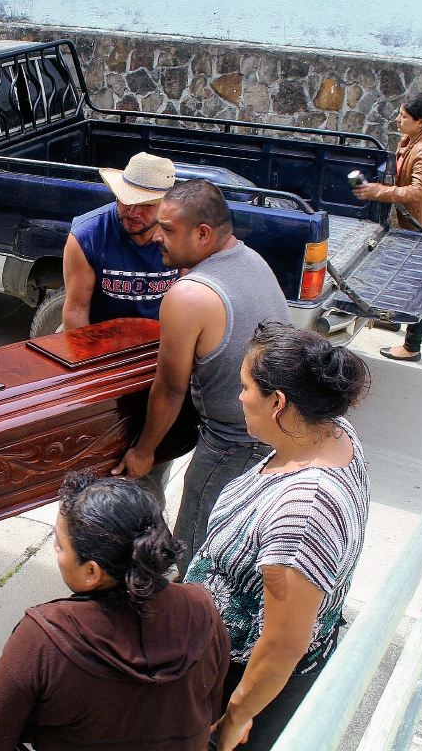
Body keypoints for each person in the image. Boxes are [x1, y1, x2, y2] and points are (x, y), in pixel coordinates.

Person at [185, 321, 371, 751]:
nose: (240, 396)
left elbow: (284, 643)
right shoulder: (330, 430)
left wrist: (235, 717)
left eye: (245, 386)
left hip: (246, 681)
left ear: (278, 402)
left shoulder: (302, 516)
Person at [0, 473, 230, 751]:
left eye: (60, 545)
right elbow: (210, 706)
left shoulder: (43, 639)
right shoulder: (202, 608)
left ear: (92, 572)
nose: (55, 550)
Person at [113, 179, 292, 573]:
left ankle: (191, 625)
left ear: (203, 234)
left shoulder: (189, 294)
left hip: (233, 442)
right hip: (280, 433)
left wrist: (143, 453)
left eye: (168, 229)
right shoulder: (251, 259)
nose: (156, 235)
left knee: (195, 555)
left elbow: (171, 388)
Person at [62, 151, 182, 506]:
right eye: (125, 200)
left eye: (145, 206)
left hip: (161, 357)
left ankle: (146, 528)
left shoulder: (181, 236)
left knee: (153, 457)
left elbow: (194, 300)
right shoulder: (87, 235)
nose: (132, 212)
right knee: (96, 457)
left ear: (166, 205)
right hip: (103, 353)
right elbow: (75, 310)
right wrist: (93, 376)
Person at [354, 92, 422, 362]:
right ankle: (393, 320)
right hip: (419, 221)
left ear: (420, 122)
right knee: (405, 278)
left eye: (403, 117)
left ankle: (412, 346)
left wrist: (378, 191)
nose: (397, 120)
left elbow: (419, 192)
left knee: (417, 286)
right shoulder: (414, 139)